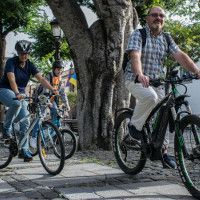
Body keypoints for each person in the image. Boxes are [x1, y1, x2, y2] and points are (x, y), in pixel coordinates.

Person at [124, 6, 200, 169]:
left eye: (161, 16)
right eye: (154, 15)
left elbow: (180, 55)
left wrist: (196, 70)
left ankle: (162, 152)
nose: (158, 18)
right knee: (150, 97)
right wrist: (140, 74)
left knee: (165, 112)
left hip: (158, 82)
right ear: (147, 18)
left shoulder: (166, 38)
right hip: (135, 79)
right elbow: (134, 55)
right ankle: (133, 126)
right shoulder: (139, 34)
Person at [0, 40, 59, 162]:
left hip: (21, 94)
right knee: (16, 103)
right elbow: (11, 79)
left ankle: (24, 150)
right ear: (18, 53)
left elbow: (41, 79)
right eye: (22, 53)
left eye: (26, 53)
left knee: (26, 122)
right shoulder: (11, 62)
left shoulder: (30, 65)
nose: (24, 55)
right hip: (5, 90)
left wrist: (53, 88)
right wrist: (17, 93)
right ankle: (6, 129)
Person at [29, 60, 71, 148]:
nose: (59, 71)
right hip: (42, 98)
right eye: (58, 69)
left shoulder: (60, 80)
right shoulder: (48, 76)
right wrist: (48, 102)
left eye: (61, 69)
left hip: (51, 100)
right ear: (54, 69)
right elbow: (45, 90)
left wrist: (67, 105)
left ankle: (49, 133)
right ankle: (33, 137)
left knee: (56, 113)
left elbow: (62, 94)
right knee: (40, 117)